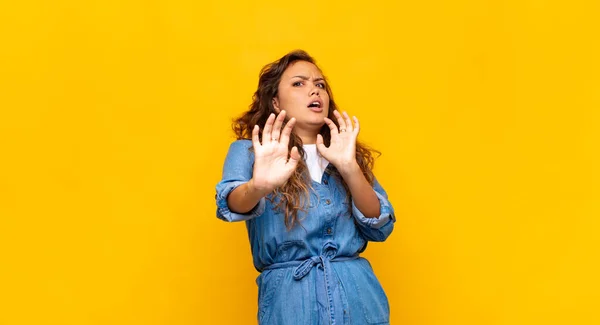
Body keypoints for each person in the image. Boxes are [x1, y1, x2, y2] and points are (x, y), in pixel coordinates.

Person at [215, 49, 396, 325]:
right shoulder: (251, 151)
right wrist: (258, 186)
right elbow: (231, 202)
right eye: (299, 83)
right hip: (290, 303)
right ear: (275, 102)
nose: (314, 91)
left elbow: (379, 223)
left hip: (359, 299)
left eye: (320, 84)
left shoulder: (346, 152)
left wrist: (349, 168)